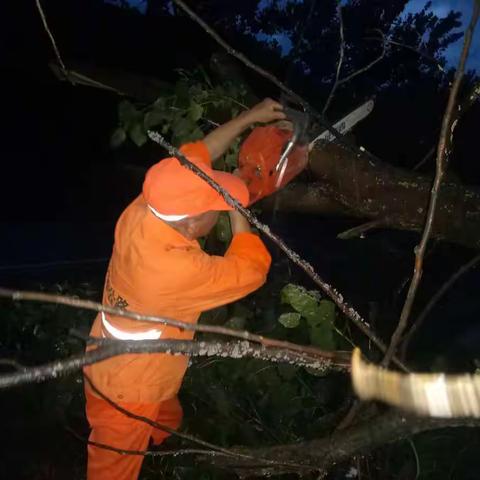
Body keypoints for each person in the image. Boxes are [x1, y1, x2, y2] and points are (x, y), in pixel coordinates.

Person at [83, 98, 286, 480]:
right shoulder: (175, 271)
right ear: (193, 226)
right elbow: (251, 270)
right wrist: (239, 208)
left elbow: (199, 154)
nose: (221, 207)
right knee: (112, 468)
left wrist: (250, 117)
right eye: (217, 206)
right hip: (127, 392)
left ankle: (163, 447)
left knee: (166, 413)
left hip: (119, 356)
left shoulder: (145, 207)